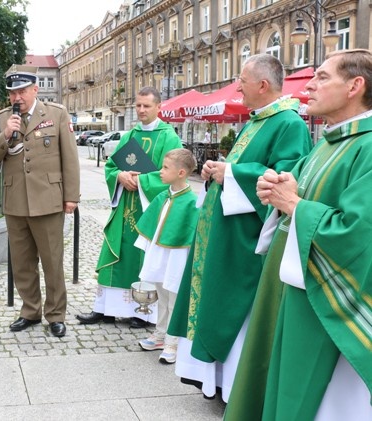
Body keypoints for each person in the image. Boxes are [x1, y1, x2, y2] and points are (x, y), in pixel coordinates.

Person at [225, 49, 372, 421]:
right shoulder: (328, 142)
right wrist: (283, 188)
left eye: (322, 77)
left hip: (330, 300)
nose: (309, 84)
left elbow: (359, 231)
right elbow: (301, 197)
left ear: (356, 86)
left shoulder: (368, 146)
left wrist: (295, 205)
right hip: (293, 286)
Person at [167, 53, 312, 401]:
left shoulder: (289, 123)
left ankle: (234, 386)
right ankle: (213, 379)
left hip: (247, 240)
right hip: (225, 233)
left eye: (242, 82)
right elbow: (243, 165)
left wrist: (229, 173)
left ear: (262, 85)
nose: (238, 88)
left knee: (235, 307)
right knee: (214, 299)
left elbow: (286, 175)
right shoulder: (255, 121)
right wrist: (219, 169)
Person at [0, 64, 80, 338]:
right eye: (12, 93)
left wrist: (71, 196)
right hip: (15, 202)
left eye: (22, 91)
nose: (17, 97)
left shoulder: (56, 114)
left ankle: (56, 314)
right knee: (23, 262)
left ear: (35, 90)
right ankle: (30, 311)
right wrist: (4, 136)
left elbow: (69, 158)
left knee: (52, 261)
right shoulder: (1, 120)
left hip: (48, 200)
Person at [77, 86, 182, 329]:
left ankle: (142, 312)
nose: (141, 110)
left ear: (159, 107)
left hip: (151, 210)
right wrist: (120, 177)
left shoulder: (169, 137)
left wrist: (141, 181)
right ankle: (106, 309)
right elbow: (111, 166)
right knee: (117, 253)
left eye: (146, 106)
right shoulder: (128, 135)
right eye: (138, 105)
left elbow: (175, 174)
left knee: (144, 257)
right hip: (125, 205)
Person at [134, 148, 199, 364]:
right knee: (162, 296)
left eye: (165, 168)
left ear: (181, 172)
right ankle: (160, 334)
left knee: (174, 299)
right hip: (160, 254)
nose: (160, 171)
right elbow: (154, 224)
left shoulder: (191, 201)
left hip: (177, 257)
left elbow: (191, 233)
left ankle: (174, 341)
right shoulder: (163, 196)